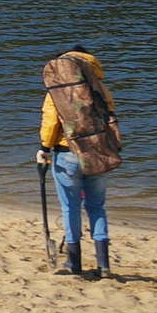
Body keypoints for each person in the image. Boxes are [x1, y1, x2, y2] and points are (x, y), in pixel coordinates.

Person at [39, 49, 114, 279]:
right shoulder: (99, 87)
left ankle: (74, 262)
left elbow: (51, 122)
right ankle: (103, 264)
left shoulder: (57, 90)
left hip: (67, 153)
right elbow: (111, 117)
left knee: (70, 207)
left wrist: (44, 148)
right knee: (97, 206)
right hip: (99, 152)